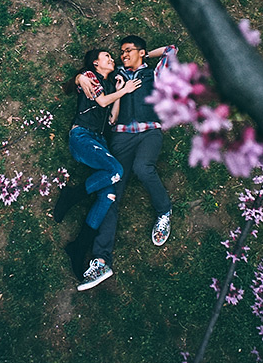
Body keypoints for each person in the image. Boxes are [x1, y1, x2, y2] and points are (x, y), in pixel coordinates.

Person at [77, 36, 177, 292]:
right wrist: (80, 78)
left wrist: (144, 57)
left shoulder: (155, 74)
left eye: (128, 51)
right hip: (120, 137)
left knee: (143, 168)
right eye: (120, 52)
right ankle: (101, 261)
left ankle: (164, 211)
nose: (122, 55)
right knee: (110, 193)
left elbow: (170, 49)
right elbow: (91, 77)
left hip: (149, 132)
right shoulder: (115, 76)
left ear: (142, 52)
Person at [55, 48, 141, 289]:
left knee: (109, 195)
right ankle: (72, 195)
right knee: (116, 170)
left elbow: (112, 117)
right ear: (95, 63)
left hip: (99, 141)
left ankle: (79, 246)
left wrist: (119, 92)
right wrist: (123, 89)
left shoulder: (106, 84)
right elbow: (100, 100)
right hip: (82, 137)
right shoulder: (89, 77)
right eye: (106, 57)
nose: (111, 59)